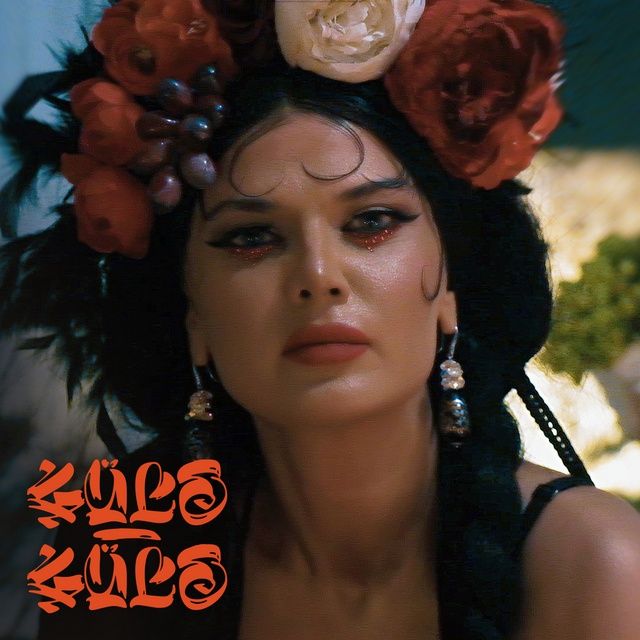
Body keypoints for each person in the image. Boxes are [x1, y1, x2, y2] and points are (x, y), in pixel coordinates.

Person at [1, 1, 639, 639]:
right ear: (192, 313)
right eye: (251, 237)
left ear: (452, 286)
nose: (317, 275)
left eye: (372, 222)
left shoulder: (597, 565)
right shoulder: (117, 549)